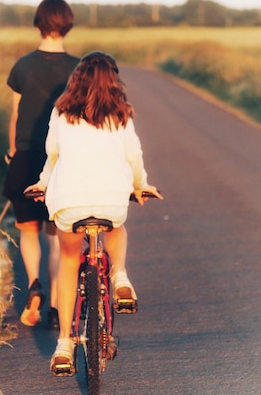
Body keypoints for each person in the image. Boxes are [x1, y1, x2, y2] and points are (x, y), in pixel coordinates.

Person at [24, 51, 163, 375]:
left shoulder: (62, 112)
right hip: (110, 202)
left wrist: (44, 183)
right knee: (116, 227)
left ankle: (63, 345)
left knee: (70, 261)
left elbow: (53, 156)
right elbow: (134, 156)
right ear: (113, 82)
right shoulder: (120, 114)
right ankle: (120, 277)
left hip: (70, 204)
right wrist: (140, 185)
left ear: (77, 80)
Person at [2, 0, 80, 329]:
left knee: (28, 230)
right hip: (61, 159)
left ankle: (34, 283)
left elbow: (16, 113)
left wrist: (12, 153)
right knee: (55, 235)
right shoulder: (79, 68)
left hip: (26, 154)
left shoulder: (22, 66)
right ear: (68, 25)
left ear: (38, 24)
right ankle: (55, 308)